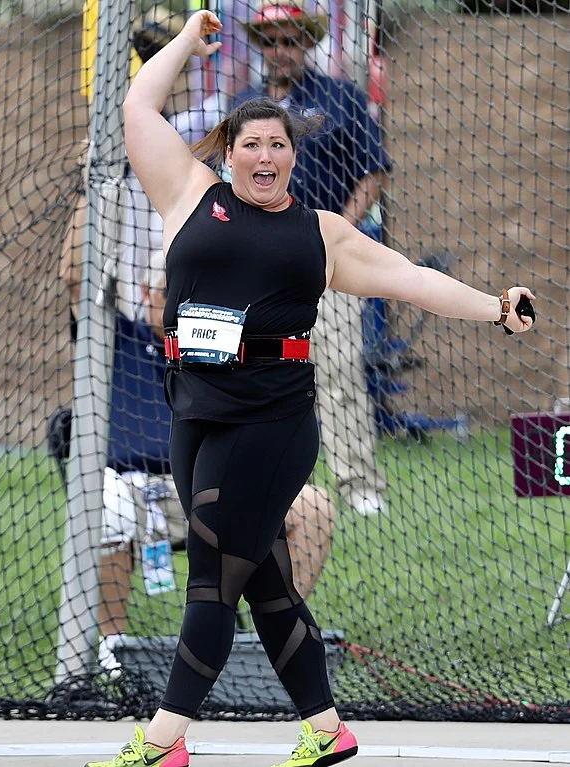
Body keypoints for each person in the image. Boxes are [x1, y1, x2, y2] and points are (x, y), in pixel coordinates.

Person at [85, 10, 534, 767]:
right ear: (229, 153)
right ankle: (326, 728)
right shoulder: (189, 194)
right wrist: (186, 45)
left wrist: (494, 305)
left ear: (294, 156)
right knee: (266, 586)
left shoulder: (318, 233)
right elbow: (137, 107)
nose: (265, 155)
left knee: (211, 578)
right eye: (251, 143)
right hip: (194, 408)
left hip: (271, 420)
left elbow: (412, 280)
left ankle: (163, 741)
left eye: (278, 145)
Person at [60, 198, 337, 675]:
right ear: (147, 293)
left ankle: (260, 639)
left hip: (221, 483)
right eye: (167, 292)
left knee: (316, 507)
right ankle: (111, 651)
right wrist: (94, 188)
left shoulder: (221, 340)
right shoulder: (117, 338)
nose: (178, 300)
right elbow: (73, 276)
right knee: (111, 504)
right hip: (136, 489)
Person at [230, 0, 393, 515]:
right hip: (256, 267)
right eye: (271, 40)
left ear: (307, 42)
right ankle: (264, 484)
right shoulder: (242, 105)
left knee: (340, 372)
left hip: (327, 264)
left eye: (292, 39)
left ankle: (360, 487)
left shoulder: (341, 97)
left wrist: (337, 232)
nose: (282, 50)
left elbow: (374, 173)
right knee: (256, 375)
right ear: (260, 46)